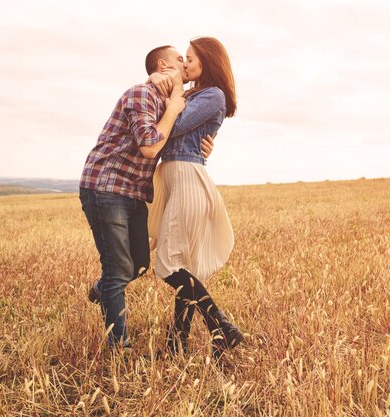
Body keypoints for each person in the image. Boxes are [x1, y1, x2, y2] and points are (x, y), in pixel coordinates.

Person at [78, 45, 186, 349]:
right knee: (118, 268)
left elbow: (173, 143)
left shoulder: (167, 102)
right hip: (106, 186)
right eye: (180, 58)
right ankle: (119, 348)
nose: (185, 62)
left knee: (138, 264)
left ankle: (102, 289)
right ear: (163, 65)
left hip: (134, 192)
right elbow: (150, 146)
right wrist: (174, 108)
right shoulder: (142, 94)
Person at [147, 37, 243, 359]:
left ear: (207, 61)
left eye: (189, 58)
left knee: (169, 265)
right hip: (179, 178)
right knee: (183, 265)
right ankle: (177, 342)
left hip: (187, 178)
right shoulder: (193, 94)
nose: (185, 64)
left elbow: (170, 129)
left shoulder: (212, 95)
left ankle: (222, 327)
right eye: (183, 59)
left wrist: (173, 98)